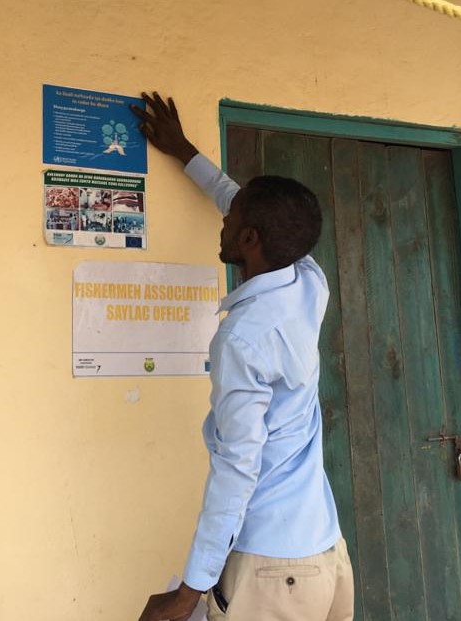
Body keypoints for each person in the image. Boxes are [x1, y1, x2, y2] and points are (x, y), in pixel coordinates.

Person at [131, 93, 354, 621]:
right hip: (325, 554)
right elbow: (245, 203)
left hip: (273, 572)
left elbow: (237, 467)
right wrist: (185, 152)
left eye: (231, 220)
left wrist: (191, 589)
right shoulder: (307, 279)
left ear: (249, 238)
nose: (224, 221)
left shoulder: (243, 340)